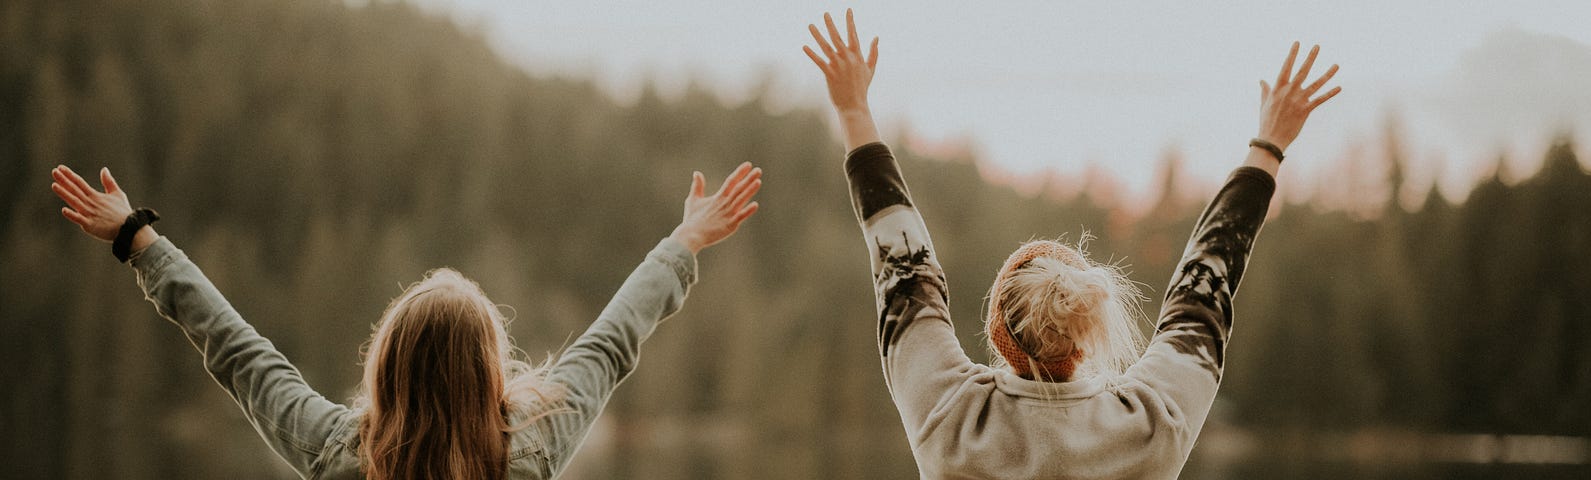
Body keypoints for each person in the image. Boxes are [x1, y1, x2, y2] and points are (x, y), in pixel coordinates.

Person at [804, 10, 1340, 479]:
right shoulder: (1148, 429)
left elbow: (903, 271)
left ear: (998, 329)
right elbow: (1204, 290)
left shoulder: (951, 418)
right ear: (1087, 334)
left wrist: (854, 112)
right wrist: (1269, 146)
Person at [50, 162, 762, 479]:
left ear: (384, 367)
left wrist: (139, 242)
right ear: (489, 374)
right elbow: (610, 343)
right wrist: (684, 242)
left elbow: (238, 351)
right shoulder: (528, 455)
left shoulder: (339, 453)